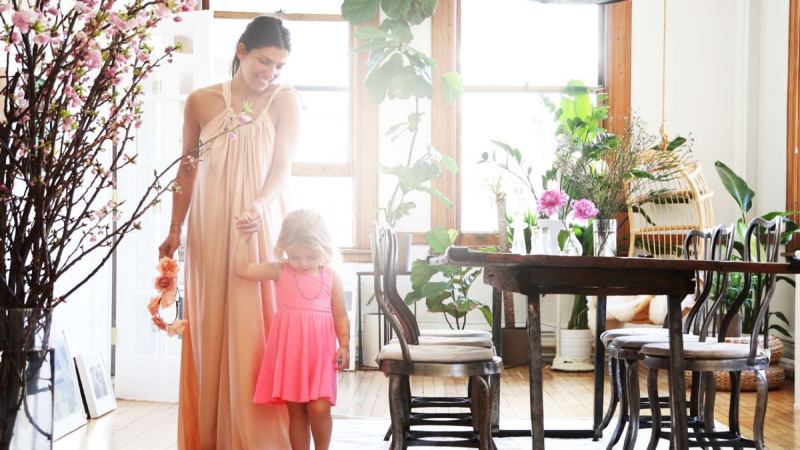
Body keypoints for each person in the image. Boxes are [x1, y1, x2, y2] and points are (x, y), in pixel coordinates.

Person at [157, 15, 301, 450]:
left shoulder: (284, 100)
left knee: (255, 327)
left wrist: (260, 204)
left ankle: (258, 437)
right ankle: (213, 436)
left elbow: (283, 169)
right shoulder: (200, 102)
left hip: (258, 225)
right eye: (263, 61)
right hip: (209, 227)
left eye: (278, 65)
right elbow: (186, 170)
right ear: (241, 51)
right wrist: (174, 229)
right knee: (210, 326)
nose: (270, 73)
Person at [233, 209, 350, 450]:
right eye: (295, 256)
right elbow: (242, 269)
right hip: (291, 354)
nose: (303, 263)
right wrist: (242, 238)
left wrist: (345, 345)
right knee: (297, 413)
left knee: (320, 407)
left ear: (325, 249)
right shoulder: (280, 270)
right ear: (284, 249)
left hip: (320, 355)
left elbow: (340, 314)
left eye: (311, 256)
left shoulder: (331, 277)